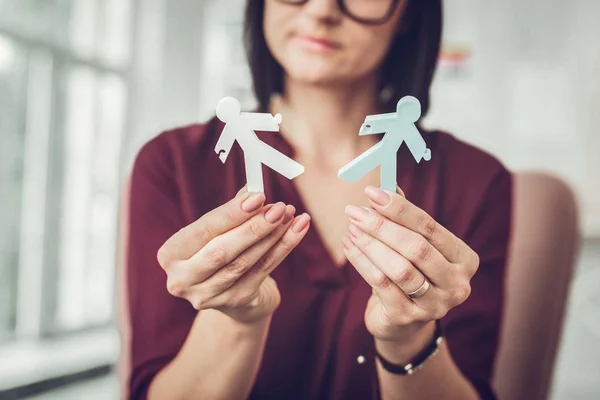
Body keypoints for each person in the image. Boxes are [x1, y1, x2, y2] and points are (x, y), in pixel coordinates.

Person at [124, 0, 512, 399]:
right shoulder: (173, 164)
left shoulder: (476, 182)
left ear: (410, 13)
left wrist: (409, 337)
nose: (323, 10)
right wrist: (235, 320)